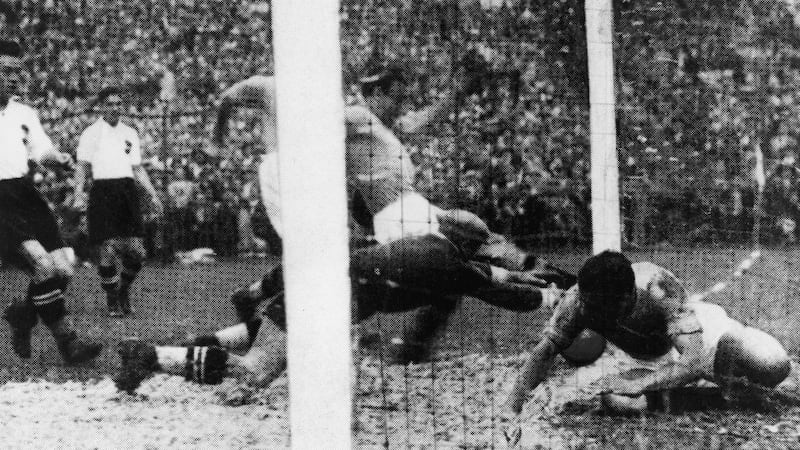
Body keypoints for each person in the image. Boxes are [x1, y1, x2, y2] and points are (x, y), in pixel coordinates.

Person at [207, 69, 575, 358]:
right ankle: (558, 292)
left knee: (467, 245)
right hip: (396, 214)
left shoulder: (383, 128)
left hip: (408, 209)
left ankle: (263, 299)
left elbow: (422, 119)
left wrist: (459, 91)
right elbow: (316, 128)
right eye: (395, 97)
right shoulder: (355, 117)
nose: (401, 105)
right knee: (455, 268)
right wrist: (240, 136)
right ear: (377, 94)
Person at [115, 233, 565, 393]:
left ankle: (179, 348)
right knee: (256, 372)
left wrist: (259, 289)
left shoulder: (427, 245)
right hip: (324, 304)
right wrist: (552, 300)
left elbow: (496, 275)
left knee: (264, 338)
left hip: (317, 291)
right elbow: (502, 291)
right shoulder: (454, 269)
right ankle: (152, 357)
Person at [504, 251, 791, 415]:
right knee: (615, 401)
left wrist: (643, 382)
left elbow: (693, 358)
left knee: (771, 363)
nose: (592, 314)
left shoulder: (656, 286)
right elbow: (544, 353)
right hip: (653, 361)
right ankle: (717, 397)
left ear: (629, 296)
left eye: (603, 308)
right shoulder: (578, 301)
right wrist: (511, 407)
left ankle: (718, 385)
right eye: (589, 305)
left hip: (698, 340)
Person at [0, 39, 102, 364]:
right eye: (5, 71)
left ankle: (23, 314)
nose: (13, 78)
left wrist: (57, 158)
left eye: (16, 72)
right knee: (43, 266)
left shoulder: (24, 112)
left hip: (25, 193)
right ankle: (69, 343)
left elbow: (41, 149)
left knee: (64, 268)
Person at [73, 88, 164, 316]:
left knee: (137, 252)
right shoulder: (91, 133)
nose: (115, 108)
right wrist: (78, 194)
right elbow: (82, 167)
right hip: (103, 191)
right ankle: (112, 299)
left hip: (127, 191)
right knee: (108, 249)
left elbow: (137, 168)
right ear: (102, 106)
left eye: (118, 104)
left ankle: (123, 290)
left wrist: (152, 193)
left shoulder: (130, 132)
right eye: (110, 104)